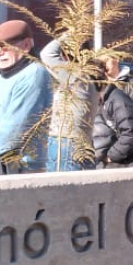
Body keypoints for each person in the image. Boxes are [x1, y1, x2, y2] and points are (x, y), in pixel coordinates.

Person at [0, 20, 51, 174]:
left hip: (21, 165)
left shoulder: (34, 74)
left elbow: (14, 129)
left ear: (26, 45)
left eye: (5, 46)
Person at [40, 36, 97, 171]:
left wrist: (72, 32)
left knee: (61, 190)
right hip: (81, 144)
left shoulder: (74, 76)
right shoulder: (88, 79)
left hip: (66, 144)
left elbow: (47, 54)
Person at [92, 70, 133, 168]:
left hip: (115, 165)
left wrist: (111, 156)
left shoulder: (117, 99)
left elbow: (130, 134)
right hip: (102, 163)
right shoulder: (101, 102)